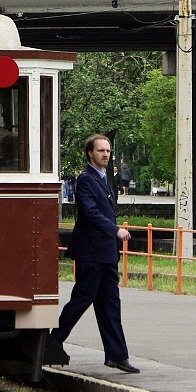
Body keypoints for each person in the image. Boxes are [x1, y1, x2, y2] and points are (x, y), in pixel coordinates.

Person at [51, 134, 140, 374]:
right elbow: (90, 213)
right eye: (101, 151)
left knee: (110, 304)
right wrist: (115, 230)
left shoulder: (103, 179)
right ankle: (53, 341)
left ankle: (117, 355)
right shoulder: (86, 180)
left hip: (106, 253)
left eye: (108, 151)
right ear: (90, 153)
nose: (105, 155)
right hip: (92, 252)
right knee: (82, 298)